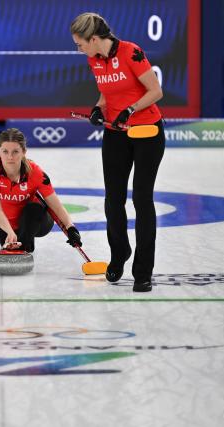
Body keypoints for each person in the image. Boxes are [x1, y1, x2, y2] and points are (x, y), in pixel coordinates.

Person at [70, 12, 165, 292]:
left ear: (95, 39)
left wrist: (130, 110)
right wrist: (98, 109)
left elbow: (155, 91)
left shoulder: (131, 52)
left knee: (142, 201)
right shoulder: (94, 59)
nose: (79, 49)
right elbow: (106, 95)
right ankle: (119, 253)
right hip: (115, 134)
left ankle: (143, 271)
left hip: (146, 132)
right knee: (113, 201)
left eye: (80, 44)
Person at [0, 128, 82, 254]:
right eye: (5, 151)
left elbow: (56, 205)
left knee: (32, 209)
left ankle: (25, 241)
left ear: (24, 152)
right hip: (6, 222)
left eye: (15, 151)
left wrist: (71, 228)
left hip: (36, 220)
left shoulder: (36, 173)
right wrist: (10, 232)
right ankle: (24, 241)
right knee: (11, 244)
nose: (10, 157)